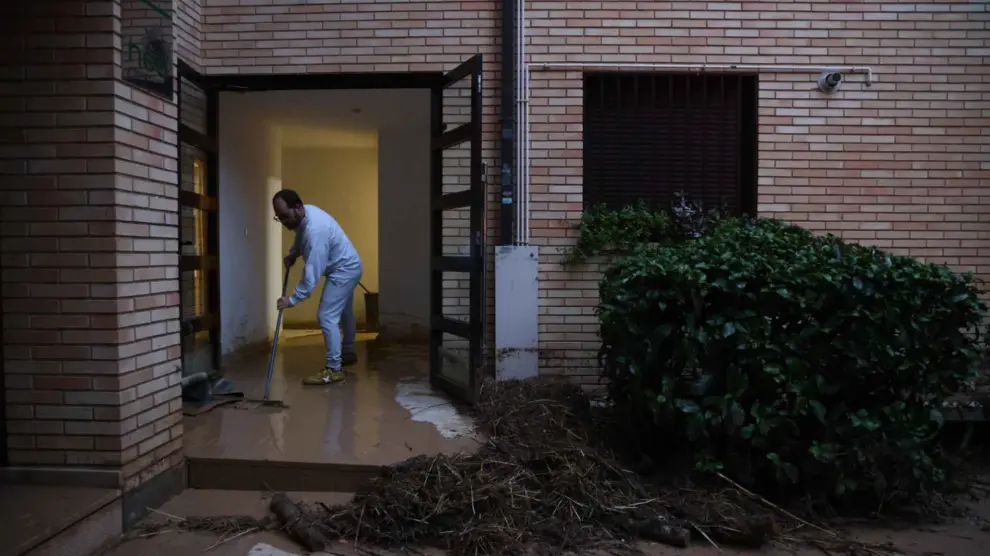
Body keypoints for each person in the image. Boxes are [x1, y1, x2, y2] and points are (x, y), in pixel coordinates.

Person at [272, 189, 363, 385]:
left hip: (344, 270)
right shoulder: (305, 216)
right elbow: (300, 236)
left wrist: (293, 299)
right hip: (347, 265)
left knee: (326, 315)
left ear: (298, 207)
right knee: (344, 311)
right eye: (279, 218)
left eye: (285, 216)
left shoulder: (316, 231)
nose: (284, 222)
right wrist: (293, 253)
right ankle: (347, 351)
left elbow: (312, 273)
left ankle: (334, 369)